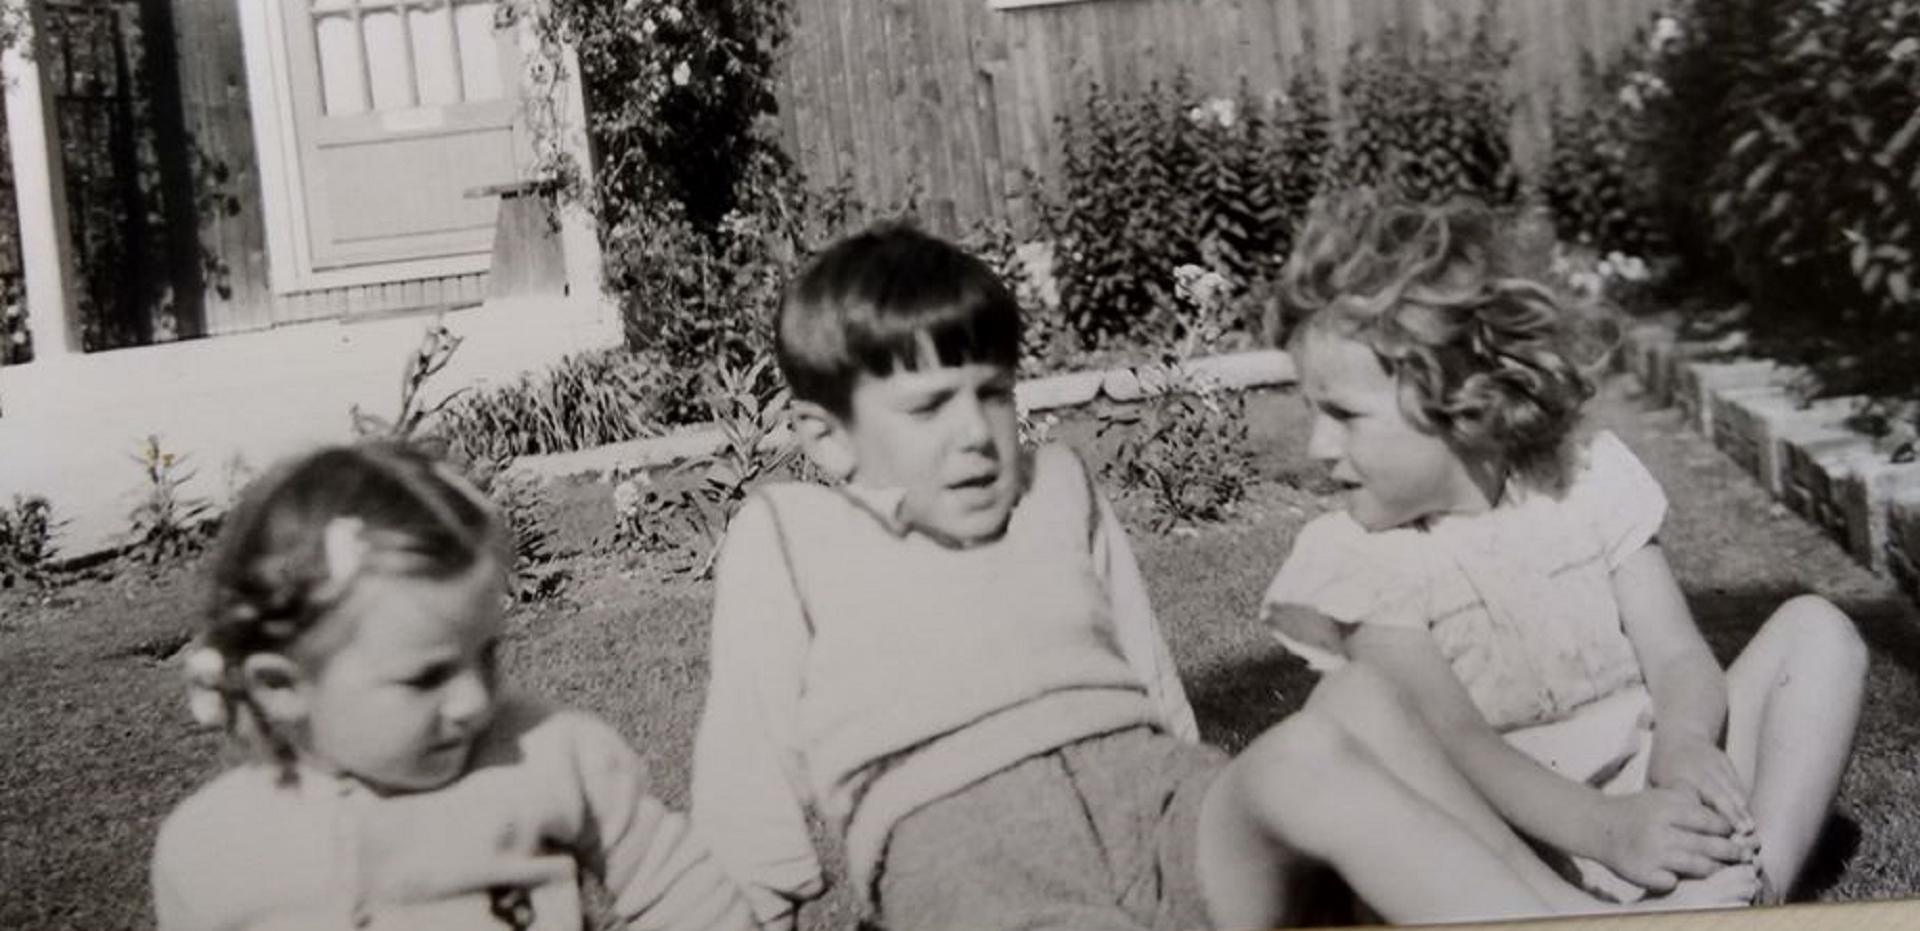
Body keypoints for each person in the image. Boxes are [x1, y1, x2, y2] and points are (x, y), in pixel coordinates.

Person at [691, 220, 1705, 931]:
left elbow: (1150, 686)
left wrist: (1199, 783)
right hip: (968, 854)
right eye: (927, 408)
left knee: (1345, 703)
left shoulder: (1055, 487)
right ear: (826, 438)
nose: (973, 435)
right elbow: (747, 772)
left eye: (991, 393)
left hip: (1163, 809)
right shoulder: (791, 530)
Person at [1260, 195, 1868, 908]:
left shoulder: (1585, 483)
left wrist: (1686, 739)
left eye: (1343, 415)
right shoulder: (1362, 559)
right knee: (1373, 743)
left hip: (1644, 782)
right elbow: (1457, 741)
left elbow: (1674, 651)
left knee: (1817, 631)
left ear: (1462, 399)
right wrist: (1607, 829)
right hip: (1509, 835)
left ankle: (1758, 886)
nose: (1317, 447)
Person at [151, 441, 752, 931]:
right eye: (426, 677)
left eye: (487, 654)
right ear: (283, 687)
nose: (472, 702)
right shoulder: (214, 849)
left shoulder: (552, 756)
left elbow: (685, 893)